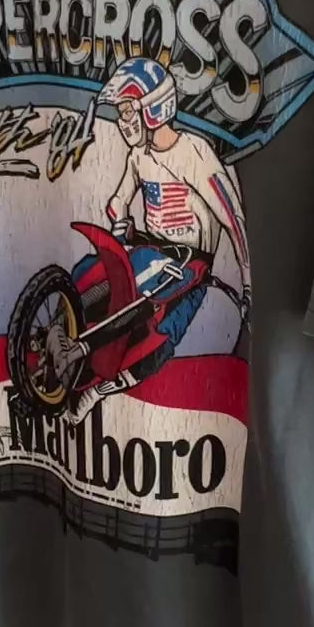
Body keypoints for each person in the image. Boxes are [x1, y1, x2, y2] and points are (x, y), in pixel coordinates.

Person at [65, 57, 251, 422]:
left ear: (153, 108)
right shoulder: (139, 156)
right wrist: (121, 226)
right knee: (87, 274)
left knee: (157, 338)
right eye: (120, 113)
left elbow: (233, 218)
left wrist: (247, 287)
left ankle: (98, 390)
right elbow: (117, 201)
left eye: (127, 111)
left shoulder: (194, 153)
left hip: (190, 267)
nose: (123, 122)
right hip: (147, 249)